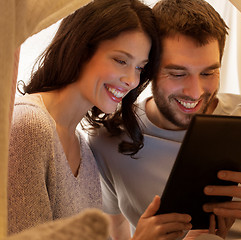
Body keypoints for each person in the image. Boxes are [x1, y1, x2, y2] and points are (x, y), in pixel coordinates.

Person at [89, 0, 241, 239]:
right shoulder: (107, 140)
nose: (195, 92)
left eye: (208, 72)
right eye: (177, 73)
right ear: (148, 68)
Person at [7, 0, 194, 238]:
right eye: (121, 60)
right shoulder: (30, 127)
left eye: (139, 67)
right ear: (81, 49)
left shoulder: (83, 148)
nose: (131, 80)